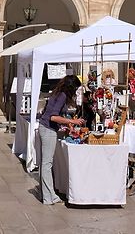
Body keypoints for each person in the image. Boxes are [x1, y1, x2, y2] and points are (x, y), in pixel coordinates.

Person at [37, 75, 86, 205]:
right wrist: (73, 121)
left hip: (45, 128)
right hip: (48, 130)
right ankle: (49, 197)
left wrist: (69, 125)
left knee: (45, 164)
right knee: (47, 164)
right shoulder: (62, 95)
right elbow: (53, 117)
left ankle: (46, 194)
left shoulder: (58, 93)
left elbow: (58, 114)